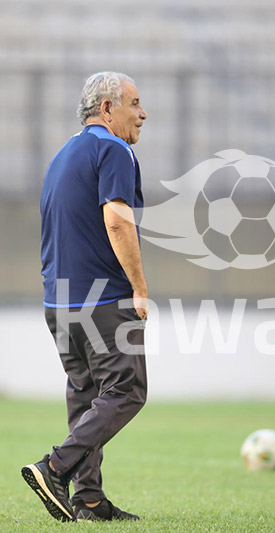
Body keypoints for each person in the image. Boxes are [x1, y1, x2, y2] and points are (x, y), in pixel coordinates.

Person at [21, 72, 149, 522]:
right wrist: (138, 287)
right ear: (108, 108)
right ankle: (54, 467)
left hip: (58, 300)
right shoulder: (114, 149)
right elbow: (116, 219)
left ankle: (89, 501)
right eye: (134, 103)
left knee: (86, 394)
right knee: (127, 390)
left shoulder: (63, 154)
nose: (143, 113)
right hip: (103, 298)